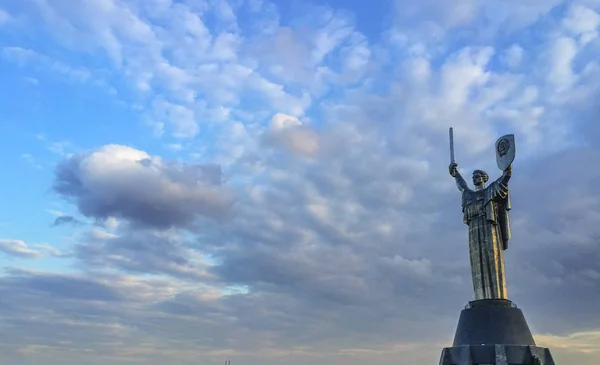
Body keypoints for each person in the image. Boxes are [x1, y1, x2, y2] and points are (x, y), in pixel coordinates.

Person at [449, 162, 512, 300]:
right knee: (477, 262)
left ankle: (497, 297)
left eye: (478, 176)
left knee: (492, 258)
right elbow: (461, 186)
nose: (475, 178)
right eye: (473, 176)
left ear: (484, 178)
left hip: (489, 226)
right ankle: (481, 297)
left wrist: (507, 161)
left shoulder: (490, 190)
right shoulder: (469, 195)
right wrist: (455, 173)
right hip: (474, 230)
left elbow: (506, 177)